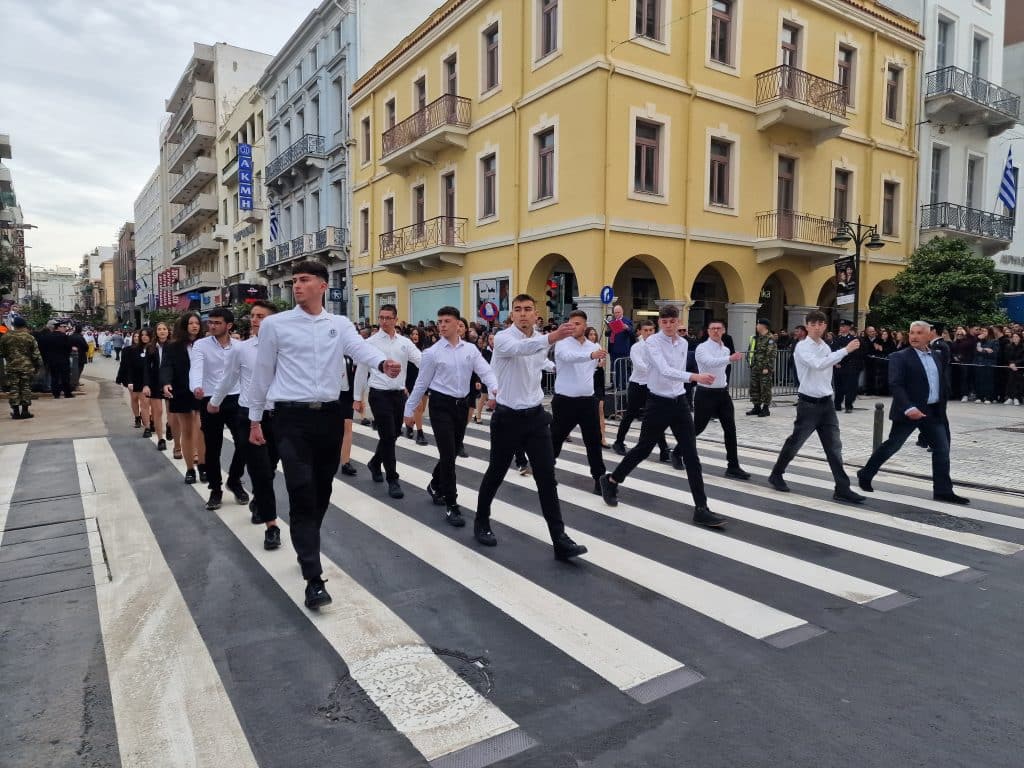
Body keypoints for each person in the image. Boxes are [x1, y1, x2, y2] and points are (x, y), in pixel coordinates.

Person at [247, 260, 401, 610]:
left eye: (304, 280)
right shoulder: (275, 325)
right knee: (300, 488)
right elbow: (262, 373)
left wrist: (382, 363)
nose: (296, 286)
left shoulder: (339, 324)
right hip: (290, 418)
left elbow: (360, 349)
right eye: (294, 281)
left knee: (322, 490)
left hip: (329, 417)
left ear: (322, 286)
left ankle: (307, 536)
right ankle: (313, 577)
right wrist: (255, 419)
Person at [472, 294, 588, 557]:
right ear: (511, 315)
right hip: (507, 417)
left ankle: (559, 538)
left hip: (535, 417)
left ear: (536, 314)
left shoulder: (539, 339)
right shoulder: (503, 339)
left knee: (547, 477)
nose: (523, 314)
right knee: (496, 472)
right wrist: (553, 337)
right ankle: (481, 521)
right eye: (517, 310)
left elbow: (540, 361)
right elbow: (520, 350)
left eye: (527, 309)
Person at [599, 305, 727, 528]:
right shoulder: (652, 343)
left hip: (679, 402)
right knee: (643, 448)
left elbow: (675, 373)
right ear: (660, 323)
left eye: (672, 321)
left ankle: (701, 508)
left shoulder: (684, 343)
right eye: (664, 322)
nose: (668, 326)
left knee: (691, 454)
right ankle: (611, 480)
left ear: (678, 322)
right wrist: (695, 377)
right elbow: (665, 370)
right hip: (658, 402)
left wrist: (688, 381)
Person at [856, 321, 968, 505]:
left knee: (942, 449)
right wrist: (908, 407)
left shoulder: (937, 356)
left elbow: (940, 383)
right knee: (893, 444)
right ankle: (866, 473)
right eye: (912, 333)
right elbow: (896, 384)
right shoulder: (899, 357)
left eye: (919, 333)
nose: (914, 336)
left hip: (933, 411)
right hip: (909, 411)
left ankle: (943, 490)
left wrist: (942, 405)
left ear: (929, 335)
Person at [405, 306, 498, 527]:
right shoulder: (432, 353)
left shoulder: (471, 350)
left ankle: (435, 484)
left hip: (461, 405)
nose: (442, 325)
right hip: (440, 406)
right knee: (447, 455)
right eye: (440, 321)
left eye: (447, 321)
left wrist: (495, 388)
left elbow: (485, 370)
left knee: (453, 452)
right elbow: (421, 383)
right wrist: (409, 410)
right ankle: (451, 503)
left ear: (458, 325)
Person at [769, 311, 865, 503]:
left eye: (821, 323)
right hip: (809, 403)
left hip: (826, 403)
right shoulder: (803, 347)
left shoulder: (825, 345)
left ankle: (842, 487)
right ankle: (777, 473)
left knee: (834, 447)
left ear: (825, 326)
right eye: (813, 323)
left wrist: (839, 356)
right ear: (807, 325)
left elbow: (828, 365)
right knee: (796, 441)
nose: (817, 326)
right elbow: (819, 365)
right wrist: (846, 350)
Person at [209, 300, 281, 550]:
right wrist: (215, 401)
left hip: (278, 415)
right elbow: (229, 377)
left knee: (270, 468)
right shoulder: (242, 349)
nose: (254, 320)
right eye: (252, 315)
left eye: (260, 316)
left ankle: (260, 500)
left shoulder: (285, 348)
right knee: (260, 470)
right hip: (248, 414)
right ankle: (272, 526)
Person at [353, 304, 422, 500]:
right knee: (387, 435)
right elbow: (362, 371)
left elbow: (420, 360)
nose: (383, 321)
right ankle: (393, 479)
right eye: (381, 317)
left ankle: (375, 463)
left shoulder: (405, 342)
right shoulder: (371, 342)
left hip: (399, 394)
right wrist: (357, 398)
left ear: (395, 319)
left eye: (387, 318)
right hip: (378, 393)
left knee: (392, 435)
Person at [191, 307, 249, 511]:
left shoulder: (240, 347)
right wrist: (196, 386)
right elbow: (196, 367)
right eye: (210, 322)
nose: (212, 326)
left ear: (229, 325)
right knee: (213, 447)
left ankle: (234, 480)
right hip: (209, 400)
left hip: (235, 399)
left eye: (217, 323)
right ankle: (215, 489)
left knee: (244, 442)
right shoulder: (201, 345)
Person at [550, 311, 608, 494]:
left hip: (587, 401)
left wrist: (599, 360)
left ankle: (599, 479)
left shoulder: (593, 345)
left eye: (577, 324)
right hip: (564, 401)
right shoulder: (562, 344)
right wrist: (591, 356)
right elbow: (569, 358)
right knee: (555, 439)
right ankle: (547, 472)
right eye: (571, 323)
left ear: (585, 325)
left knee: (593, 441)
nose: (573, 327)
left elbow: (594, 367)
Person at [693, 320, 751, 480]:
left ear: (724, 330)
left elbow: (722, 369)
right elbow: (709, 363)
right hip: (705, 393)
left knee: (730, 430)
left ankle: (733, 466)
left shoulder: (725, 348)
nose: (716, 331)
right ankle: (678, 452)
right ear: (708, 331)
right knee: (698, 427)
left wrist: (728, 358)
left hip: (722, 394)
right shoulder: (702, 348)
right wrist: (729, 358)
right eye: (713, 329)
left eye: (719, 328)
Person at [611, 320, 670, 460]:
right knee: (630, 415)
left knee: (656, 417)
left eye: (651, 330)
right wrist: (660, 370)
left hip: (653, 385)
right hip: (638, 385)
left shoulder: (659, 347)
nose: (649, 333)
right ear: (640, 332)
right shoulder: (636, 347)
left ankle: (664, 449)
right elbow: (640, 366)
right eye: (646, 330)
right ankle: (618, 442)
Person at [162, 313, 205, 473]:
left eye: (197, 323)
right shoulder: (173, 346)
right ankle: (189, 469)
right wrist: (166, 383)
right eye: (191, 323)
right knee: (186, 430)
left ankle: (202, 464)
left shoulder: (206, 343)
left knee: (201, 428)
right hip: (181, 390)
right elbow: (166, 366)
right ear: (184, 326)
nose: (194, 326)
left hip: (202, 391)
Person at [0, 317, 42, 419]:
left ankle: (15, 412)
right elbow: (36, 355)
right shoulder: (29, 337)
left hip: (12, 367)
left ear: (14, 325)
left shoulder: (5, 337)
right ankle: (25, 411)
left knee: (14, 388)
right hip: (26, 367)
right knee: (26, 388)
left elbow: (1, 352)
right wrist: (38, 366)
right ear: (24, 325)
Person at [142, 322, 169, 449]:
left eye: (164, 329)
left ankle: (170, 426)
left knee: (172, 413)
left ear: (168, 331)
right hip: (155, 382)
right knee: (158, 412)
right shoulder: (150, 347)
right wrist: (146, 385)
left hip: (170, 383)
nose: (162, 331)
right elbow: (146, 367)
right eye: (159, 329)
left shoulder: (174, 346)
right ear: (156, 332)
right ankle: (160, 439)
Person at [116, 330, 150, 429]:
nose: (136, 338)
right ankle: (137, 417)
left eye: (138, 336)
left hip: (144, 378)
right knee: (134, 398)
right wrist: (120, 377)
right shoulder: (127, 350)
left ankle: (148, 419)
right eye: (135, 336)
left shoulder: (148, 349)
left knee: (145, 401)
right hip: (131, 377)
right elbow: (124, 365)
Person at [585, 326, 611, 448]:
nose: (593, 336)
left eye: (594, 334)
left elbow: (602, 362)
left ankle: (602, 437)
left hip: (598, 378)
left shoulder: (598, 347)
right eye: (590, 334)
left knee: (600, 409)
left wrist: (601, 362)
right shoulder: (583, 349)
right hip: (588, 379)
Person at [745, 319, 775, 417]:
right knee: (754, 387)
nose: (756, 326)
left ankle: (766, 408)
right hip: (755, 367)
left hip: (764, 368)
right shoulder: (757, 338)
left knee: (765, 388)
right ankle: (756, 407)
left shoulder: (770, 338)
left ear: (764, 326)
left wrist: (766, 367)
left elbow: (770, 354)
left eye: (758, 324)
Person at [831, 319, 862, 413]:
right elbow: (833, 351)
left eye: (844, 326)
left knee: (849, 387)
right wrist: (835, 362)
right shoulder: (837, 339)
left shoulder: (853, 339)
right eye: (841, 326)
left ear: (849, 327)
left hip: (848, 367)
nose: (841, 328)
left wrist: (840, 362)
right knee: (838, 386)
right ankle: (837, 404)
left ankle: (848, 405)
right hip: (837, 367)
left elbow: (852, 353)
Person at [605, 304, 634, 392]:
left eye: (618, 312)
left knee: (622, 369)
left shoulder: (627, 321)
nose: (617, 314)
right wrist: (608, 329)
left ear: (622, 312)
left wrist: (627, 328)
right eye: (615, 312)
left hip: (623, 349)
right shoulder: (613, 321)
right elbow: (608, 334)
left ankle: (622, 385)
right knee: (614, 368)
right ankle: (614, 384)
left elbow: (632, 333)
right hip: (613, 348)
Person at [973, 326, 999, 403]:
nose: (983, 333)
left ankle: (989, 397)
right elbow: (976, 351)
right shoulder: (979, 341)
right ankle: (979, 396)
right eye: (982, 331)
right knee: (979, 381)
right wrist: (986, 350)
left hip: (989, 364)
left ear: (989, 332)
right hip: (979, 363)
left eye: (985, 331)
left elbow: (994, 353)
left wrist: (982, 350)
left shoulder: (994, 341)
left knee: (988, 381)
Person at [1005, 331, 1024, 405]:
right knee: (1010, 382)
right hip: (1011, 367)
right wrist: (1011, 363)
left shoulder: (1023, 346)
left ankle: (1017, 398)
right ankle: (1010, 397)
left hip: (1020, 367)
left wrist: (1015, 363)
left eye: (1017, 337)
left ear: (1020, 338)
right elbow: (1006, 357)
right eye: (1013, 337)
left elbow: (1023, 358)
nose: (1015, 338)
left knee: (1018, 383)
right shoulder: (1008, 346)